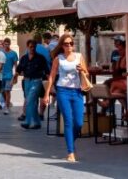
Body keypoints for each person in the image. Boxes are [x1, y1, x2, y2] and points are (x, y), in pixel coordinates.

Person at [43, 33, 86, 162]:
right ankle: (70, 152)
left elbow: (86, 72)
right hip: (63, 91)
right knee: (68, 121)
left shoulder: (79, 56)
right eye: (66, 44)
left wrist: (82, 69)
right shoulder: (58, 59)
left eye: (71, 44)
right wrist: (47, 93)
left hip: (77, 91)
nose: (69, 46)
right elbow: (52, 76)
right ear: (62, 46)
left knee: (78, 123)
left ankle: (70, 141)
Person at [17, 39, 50, 129]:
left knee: (29, 101)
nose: (32, 49)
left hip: (37, 81)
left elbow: (47, 71)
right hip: (27, 81)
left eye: (34, 47)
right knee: (33, 103)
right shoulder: (24, 58)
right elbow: (18, 69)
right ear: (27, 47)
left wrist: (50, 82)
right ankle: (37, 123)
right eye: (30, 47)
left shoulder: (40, 58)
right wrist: (15, 78)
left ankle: (27, 121)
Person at [1, 38, 18, 115]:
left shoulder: (13, 53)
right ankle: (7, 102)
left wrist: (15, 76)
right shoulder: (0, 53)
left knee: (7, 91)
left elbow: (15, 65)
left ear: (10, 44)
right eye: (5, 44)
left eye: (8, 44)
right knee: (2, 91)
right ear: (3, 44)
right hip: (0, 75)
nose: (6, 45)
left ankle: (6, 107)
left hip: (9, 75)